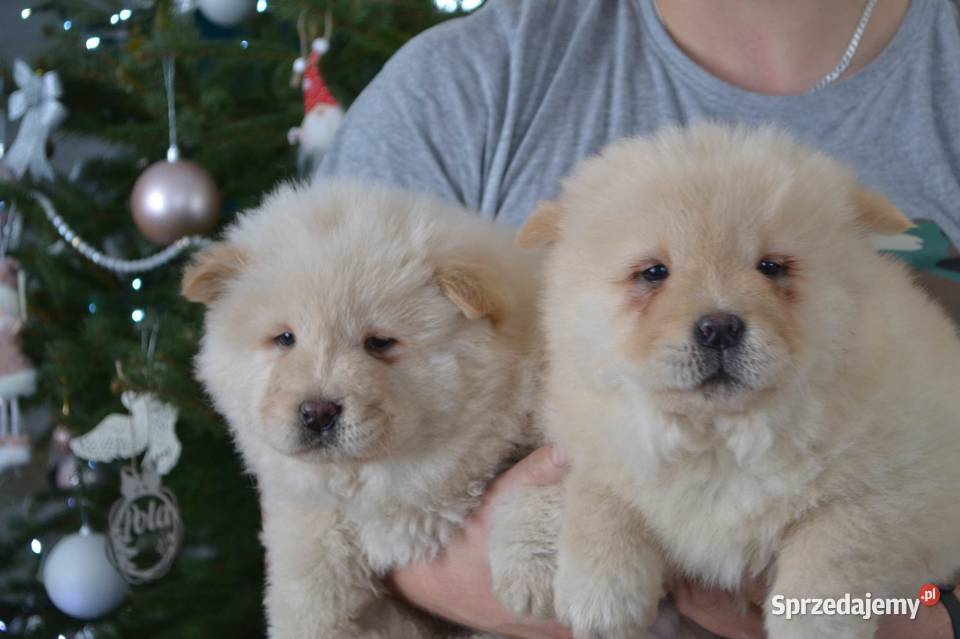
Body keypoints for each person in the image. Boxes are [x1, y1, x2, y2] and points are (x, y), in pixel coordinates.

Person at [318, 1, 960, 637]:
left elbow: (918, 480)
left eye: (773, 269)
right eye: (652, 275)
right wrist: (440, 575)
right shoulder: (470, 80)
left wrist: (918, 619)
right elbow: (309, 431)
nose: (717, 319)